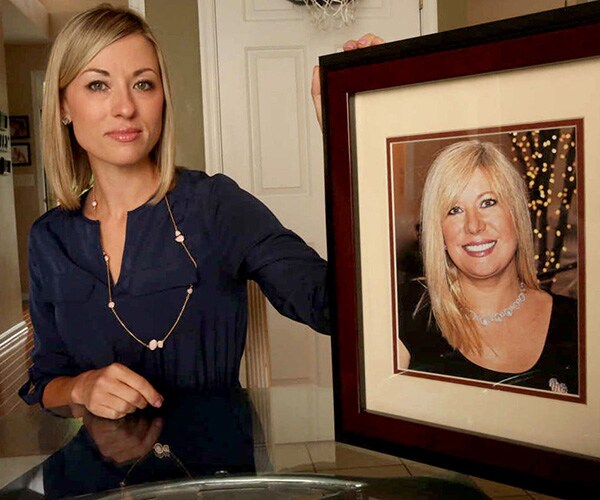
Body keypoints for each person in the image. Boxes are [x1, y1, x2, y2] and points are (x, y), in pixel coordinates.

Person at [18, 4, 383, 419]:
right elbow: (46, 381)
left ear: (162, 100)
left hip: (216, 455)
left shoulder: (215, 205)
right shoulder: (49, 238)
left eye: (143, 84)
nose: (125, 107)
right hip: (101, 462)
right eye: (98, 85)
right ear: (64, 106)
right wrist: (81, 388)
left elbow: (333, 307)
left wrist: (357, 140)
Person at [398, 140, 579, 394]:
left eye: (488, 203)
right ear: (439, 232)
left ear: (516, 214)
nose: (474, 225)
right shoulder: (405, 312)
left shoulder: (578, 323)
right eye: (455, 210)